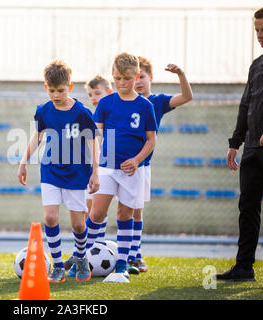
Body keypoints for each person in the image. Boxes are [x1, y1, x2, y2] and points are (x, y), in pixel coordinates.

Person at [216, 5, 263, 282]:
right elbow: (246, 105)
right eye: (257, 30)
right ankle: (244, 267)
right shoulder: (257, 65)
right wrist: (235, 142)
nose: (260, 35)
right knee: (247, 206)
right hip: (254, 149)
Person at [17, 60, 100, 283]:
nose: (56, 95)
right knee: (50, 217)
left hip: (76, 172)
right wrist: (23, 161)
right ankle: (56, 265)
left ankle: (81, 258)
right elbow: (38, 136)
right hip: (51, 171)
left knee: (77, 224)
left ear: (70, 87)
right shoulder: (43, 111)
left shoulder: (82, 112)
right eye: (51, 90)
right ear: (46, 88)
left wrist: (95, 172)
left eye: (60, 90)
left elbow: (93, 141)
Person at [87, 52, 157, 278]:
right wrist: (94, 167)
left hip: (130, 170)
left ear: (136, 76)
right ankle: (85, 258)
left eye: (126, 78)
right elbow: (94, 135)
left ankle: (122, 264)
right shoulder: (106, 102)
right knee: (96, 213)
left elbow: (151, 140)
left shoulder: (145, 106)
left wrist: (137, 160)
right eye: (117, 78)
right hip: (107, 167)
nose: (121, 83)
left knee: (125, 214)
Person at [127, 56, 193, 273]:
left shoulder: (157, 102)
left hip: (141, 165)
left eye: (142, 76)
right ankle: (96, 250)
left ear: (150, 77)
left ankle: (134, 255)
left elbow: (186, 96)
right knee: (111, 209)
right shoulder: (123, 100)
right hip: (118, 163)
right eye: (134, 77)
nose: (137, 81)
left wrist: (181, 75)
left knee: (136, 210)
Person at [63, 75, 113, 274]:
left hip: (105, 169)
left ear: (109, 93)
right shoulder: (89, 116)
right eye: (90, 94)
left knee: (96, 210)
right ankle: (83, 251)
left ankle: (89, 250)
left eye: (97, 93)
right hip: (88, 169)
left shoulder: (112, 114)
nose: (93, 98)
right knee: (86, 212)